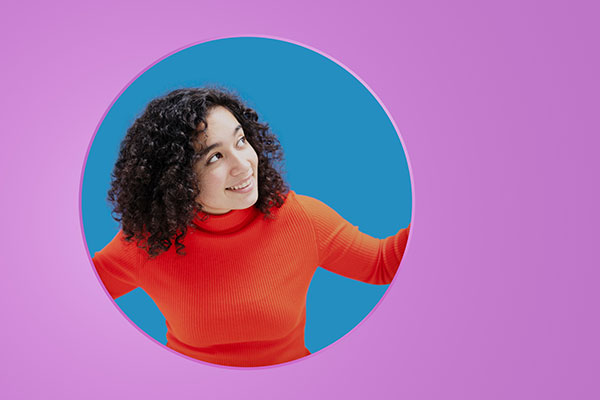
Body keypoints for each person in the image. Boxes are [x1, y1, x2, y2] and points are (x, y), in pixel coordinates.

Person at [92, 87, 410, 367]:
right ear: (176, 179)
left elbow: (382, 264)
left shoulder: (302, 219)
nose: (243, 164)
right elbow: (76, 295)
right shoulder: (148, 241)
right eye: (215, 157)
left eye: (241, 141)